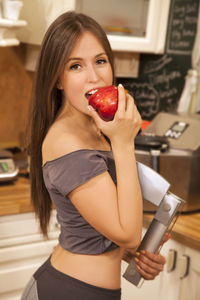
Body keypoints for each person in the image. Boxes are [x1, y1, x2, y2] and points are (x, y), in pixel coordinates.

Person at [21, 11, 168, 300]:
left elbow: (110, 232)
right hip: (68, 291)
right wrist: (124, 142)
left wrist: (132, 254)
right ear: (59, 80)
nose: (94, 77)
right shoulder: (66, 141)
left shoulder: (95, 127)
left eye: (100, 61)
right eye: (76, 66)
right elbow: (127, 232)